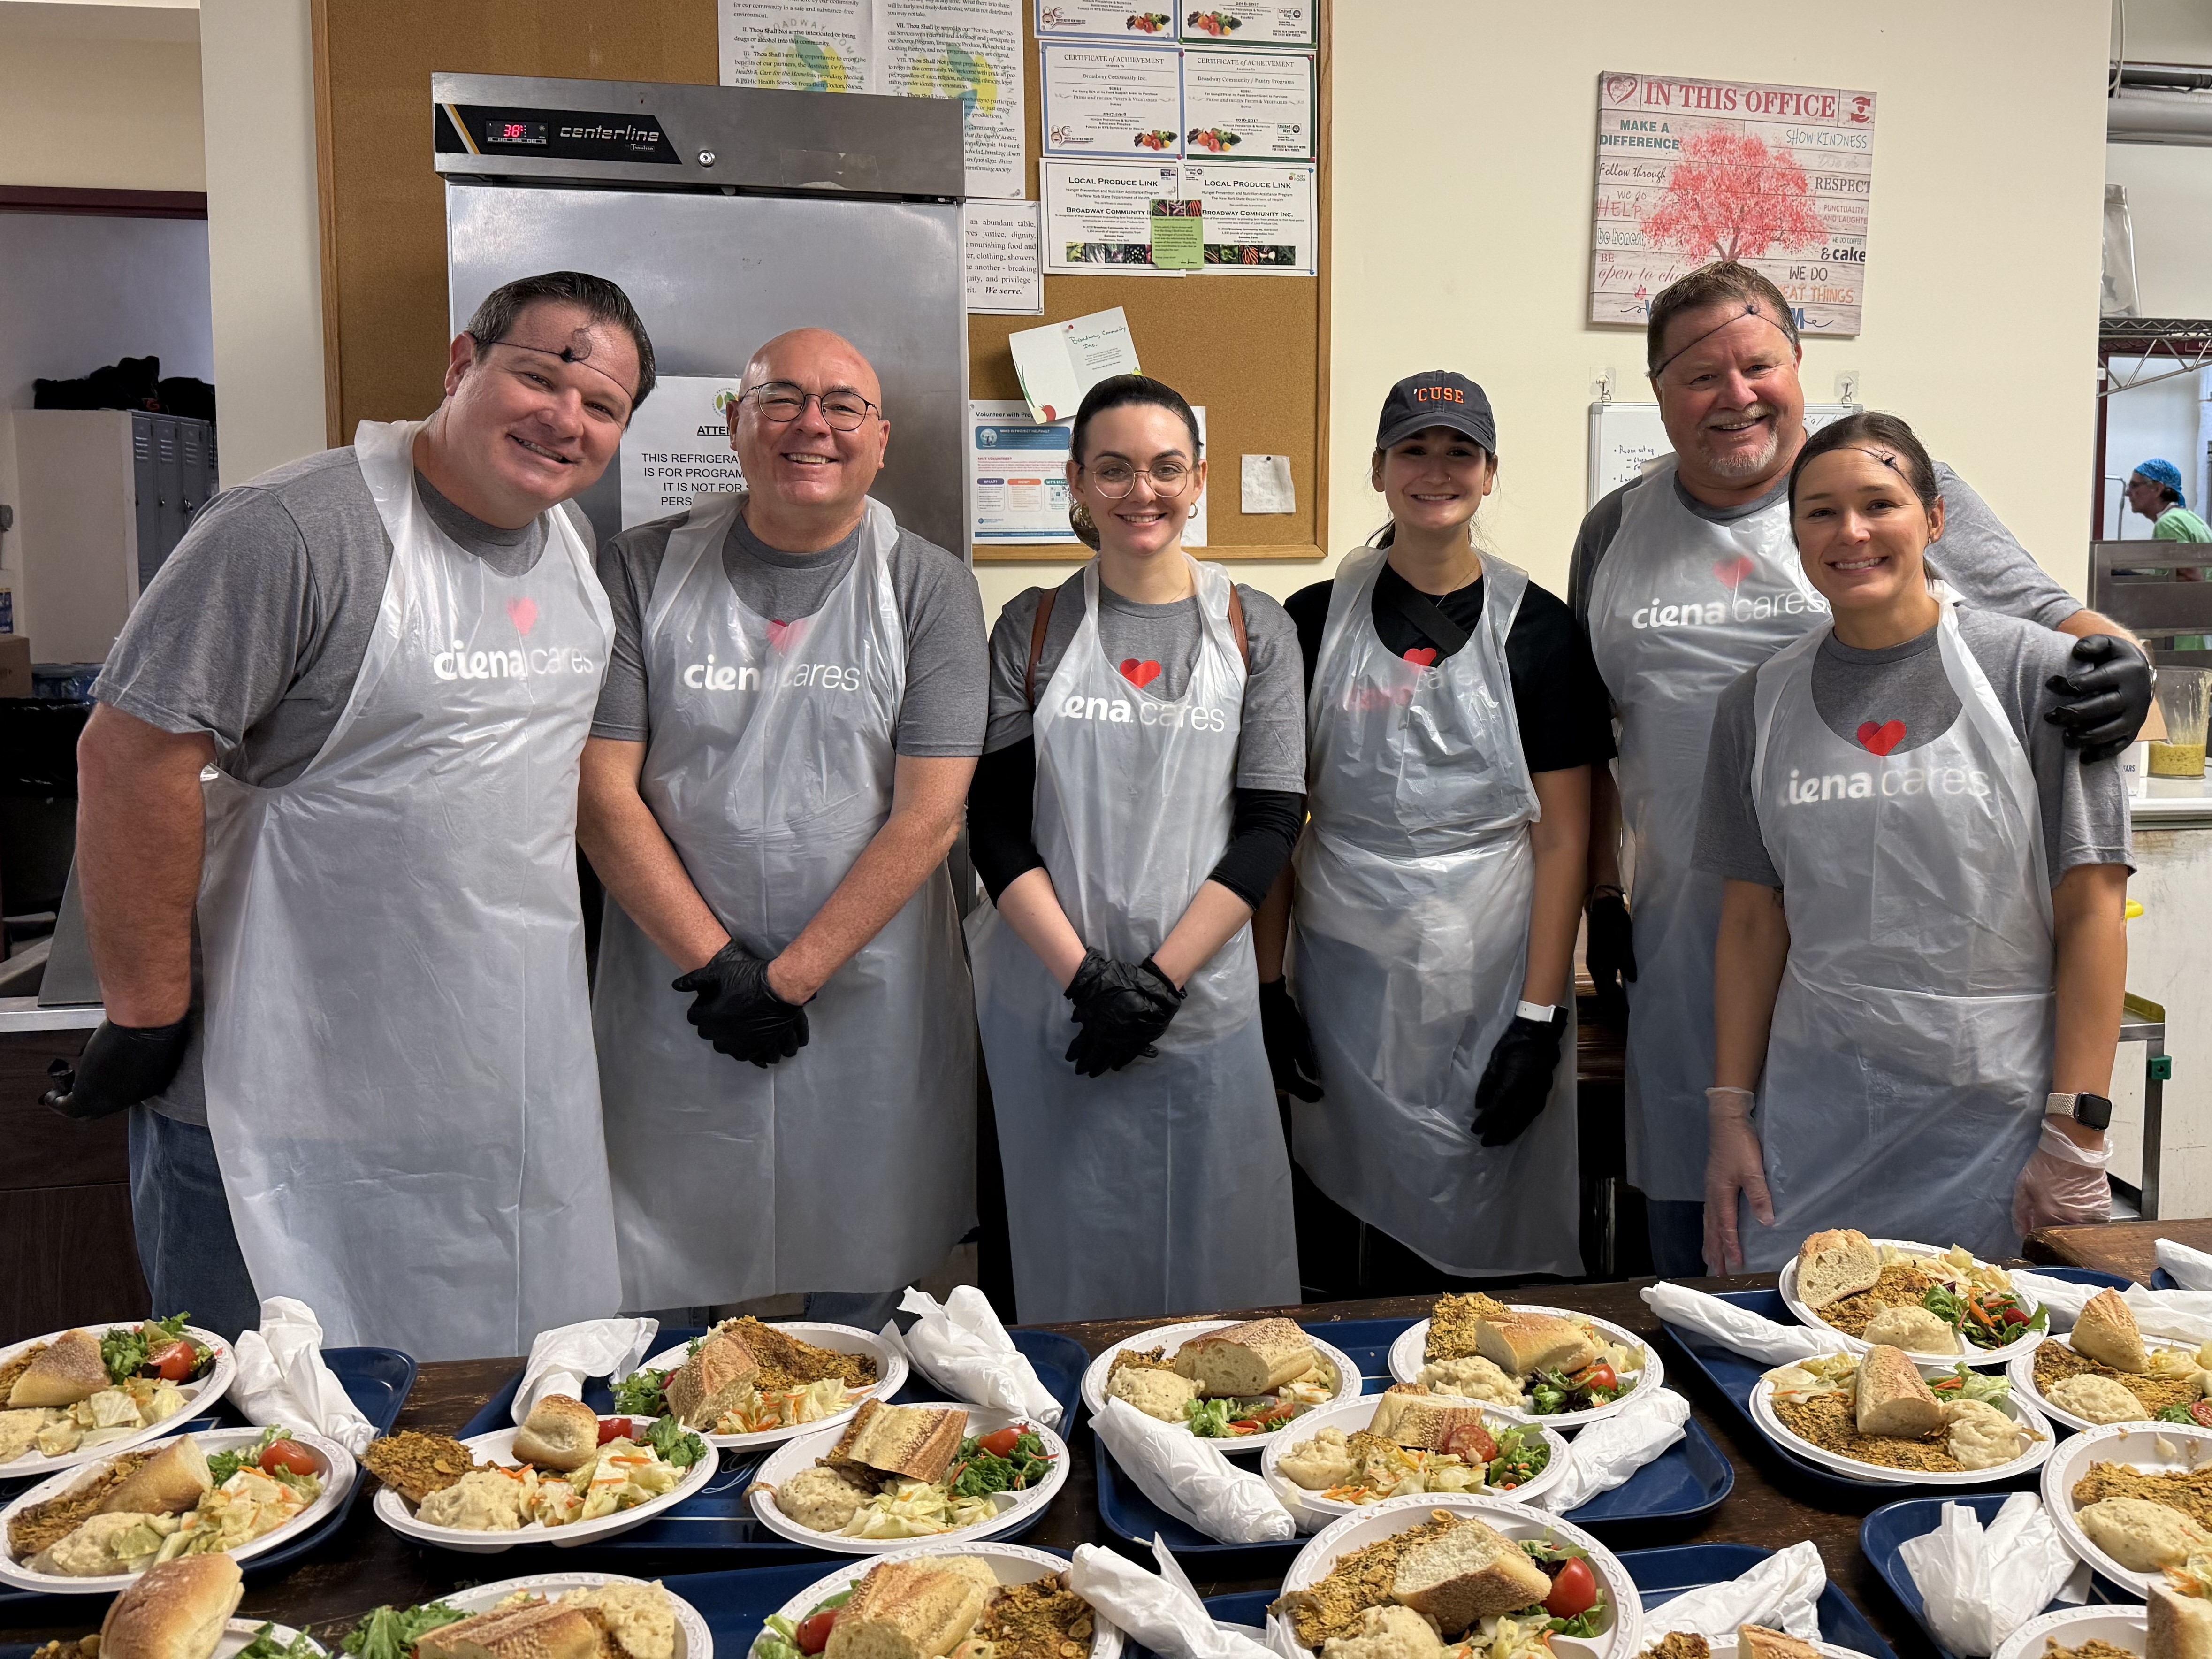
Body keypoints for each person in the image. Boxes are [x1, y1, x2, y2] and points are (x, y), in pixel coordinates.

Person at [53, 271, 651, 1355]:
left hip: (496, 1089)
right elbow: (132, 754)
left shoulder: (575, 563)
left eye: (603, 406)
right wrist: (146, 1012)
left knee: (492, 1431)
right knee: (259, 1445)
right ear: (462, 364)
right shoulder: (291, 530)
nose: (567, 419)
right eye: (539, 376)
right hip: (280, 1087)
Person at [1569, 261, 2153, 1276]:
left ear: (1800, 364)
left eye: (1757, 364)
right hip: (1696, 943)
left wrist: (2132, 670)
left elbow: (2071, 633)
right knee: (1715, 1244)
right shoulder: (1613, 530)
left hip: (1904, 967)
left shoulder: (1895, 487)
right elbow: (1599, 729)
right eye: (1700, 376)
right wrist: (1603, 891)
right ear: (1656, 392)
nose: (1735, 394)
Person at [580, 329, 986, 1331]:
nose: (813, 424)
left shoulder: (927, 585)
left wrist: (787, 978)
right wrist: (719, 970)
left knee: (865, 1261)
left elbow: (929, 814)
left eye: (843, 405)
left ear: (880, 438)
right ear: (735, 424)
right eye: (781, 399)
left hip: (867, 981)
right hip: (679, 977)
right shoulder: (638, 568)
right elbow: (600, 792)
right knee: (667, 1257)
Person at [1695, 412, 2129, 1271]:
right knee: (1804, 1365)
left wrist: (2075, 1131)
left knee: (1980, 1371)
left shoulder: (2035, 676)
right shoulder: (1755, 704)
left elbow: (2091, 911)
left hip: (1997, 1120)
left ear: (1933, 520)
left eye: (1877, 504)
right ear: (1793, 536)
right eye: (1818, 512)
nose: (1849, 532)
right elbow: (1752, 921)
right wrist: (1728, 1116)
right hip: (1816, 1115)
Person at [1254, 372, 1616, 1291]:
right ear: (1378, 469)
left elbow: (1563, 837)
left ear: (1489, 473)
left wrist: (1537, 1022)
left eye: (1459, 450)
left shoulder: (1539, 632)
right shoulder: (1308, 623)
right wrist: (1268, 986)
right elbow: (1276, 816)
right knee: (1336, 1233)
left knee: (1478, 1223)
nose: (1435, 469)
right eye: (1412, 448)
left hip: (1490, 975)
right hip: (1341, 979)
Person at [966, 373, 1303, 1323]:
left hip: (1203, 1007)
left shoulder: (1255, 628)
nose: (1139, 493)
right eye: (1111, 470)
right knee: (1068, 1259)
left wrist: (1155, 979)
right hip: (1053, 1004)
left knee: (1216, 1269)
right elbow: (992, 822)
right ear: (1073, 482)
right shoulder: (1030, 627)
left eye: (1163, 469)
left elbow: (1271, 823)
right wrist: (1088, 982)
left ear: (1198, 479)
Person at [2125, 459, 2212, 543]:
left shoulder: (2168, 524)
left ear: (2157, 489)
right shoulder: (2186, 517)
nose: (2127, 493)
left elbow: (2179, 558)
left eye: (2134, 486)